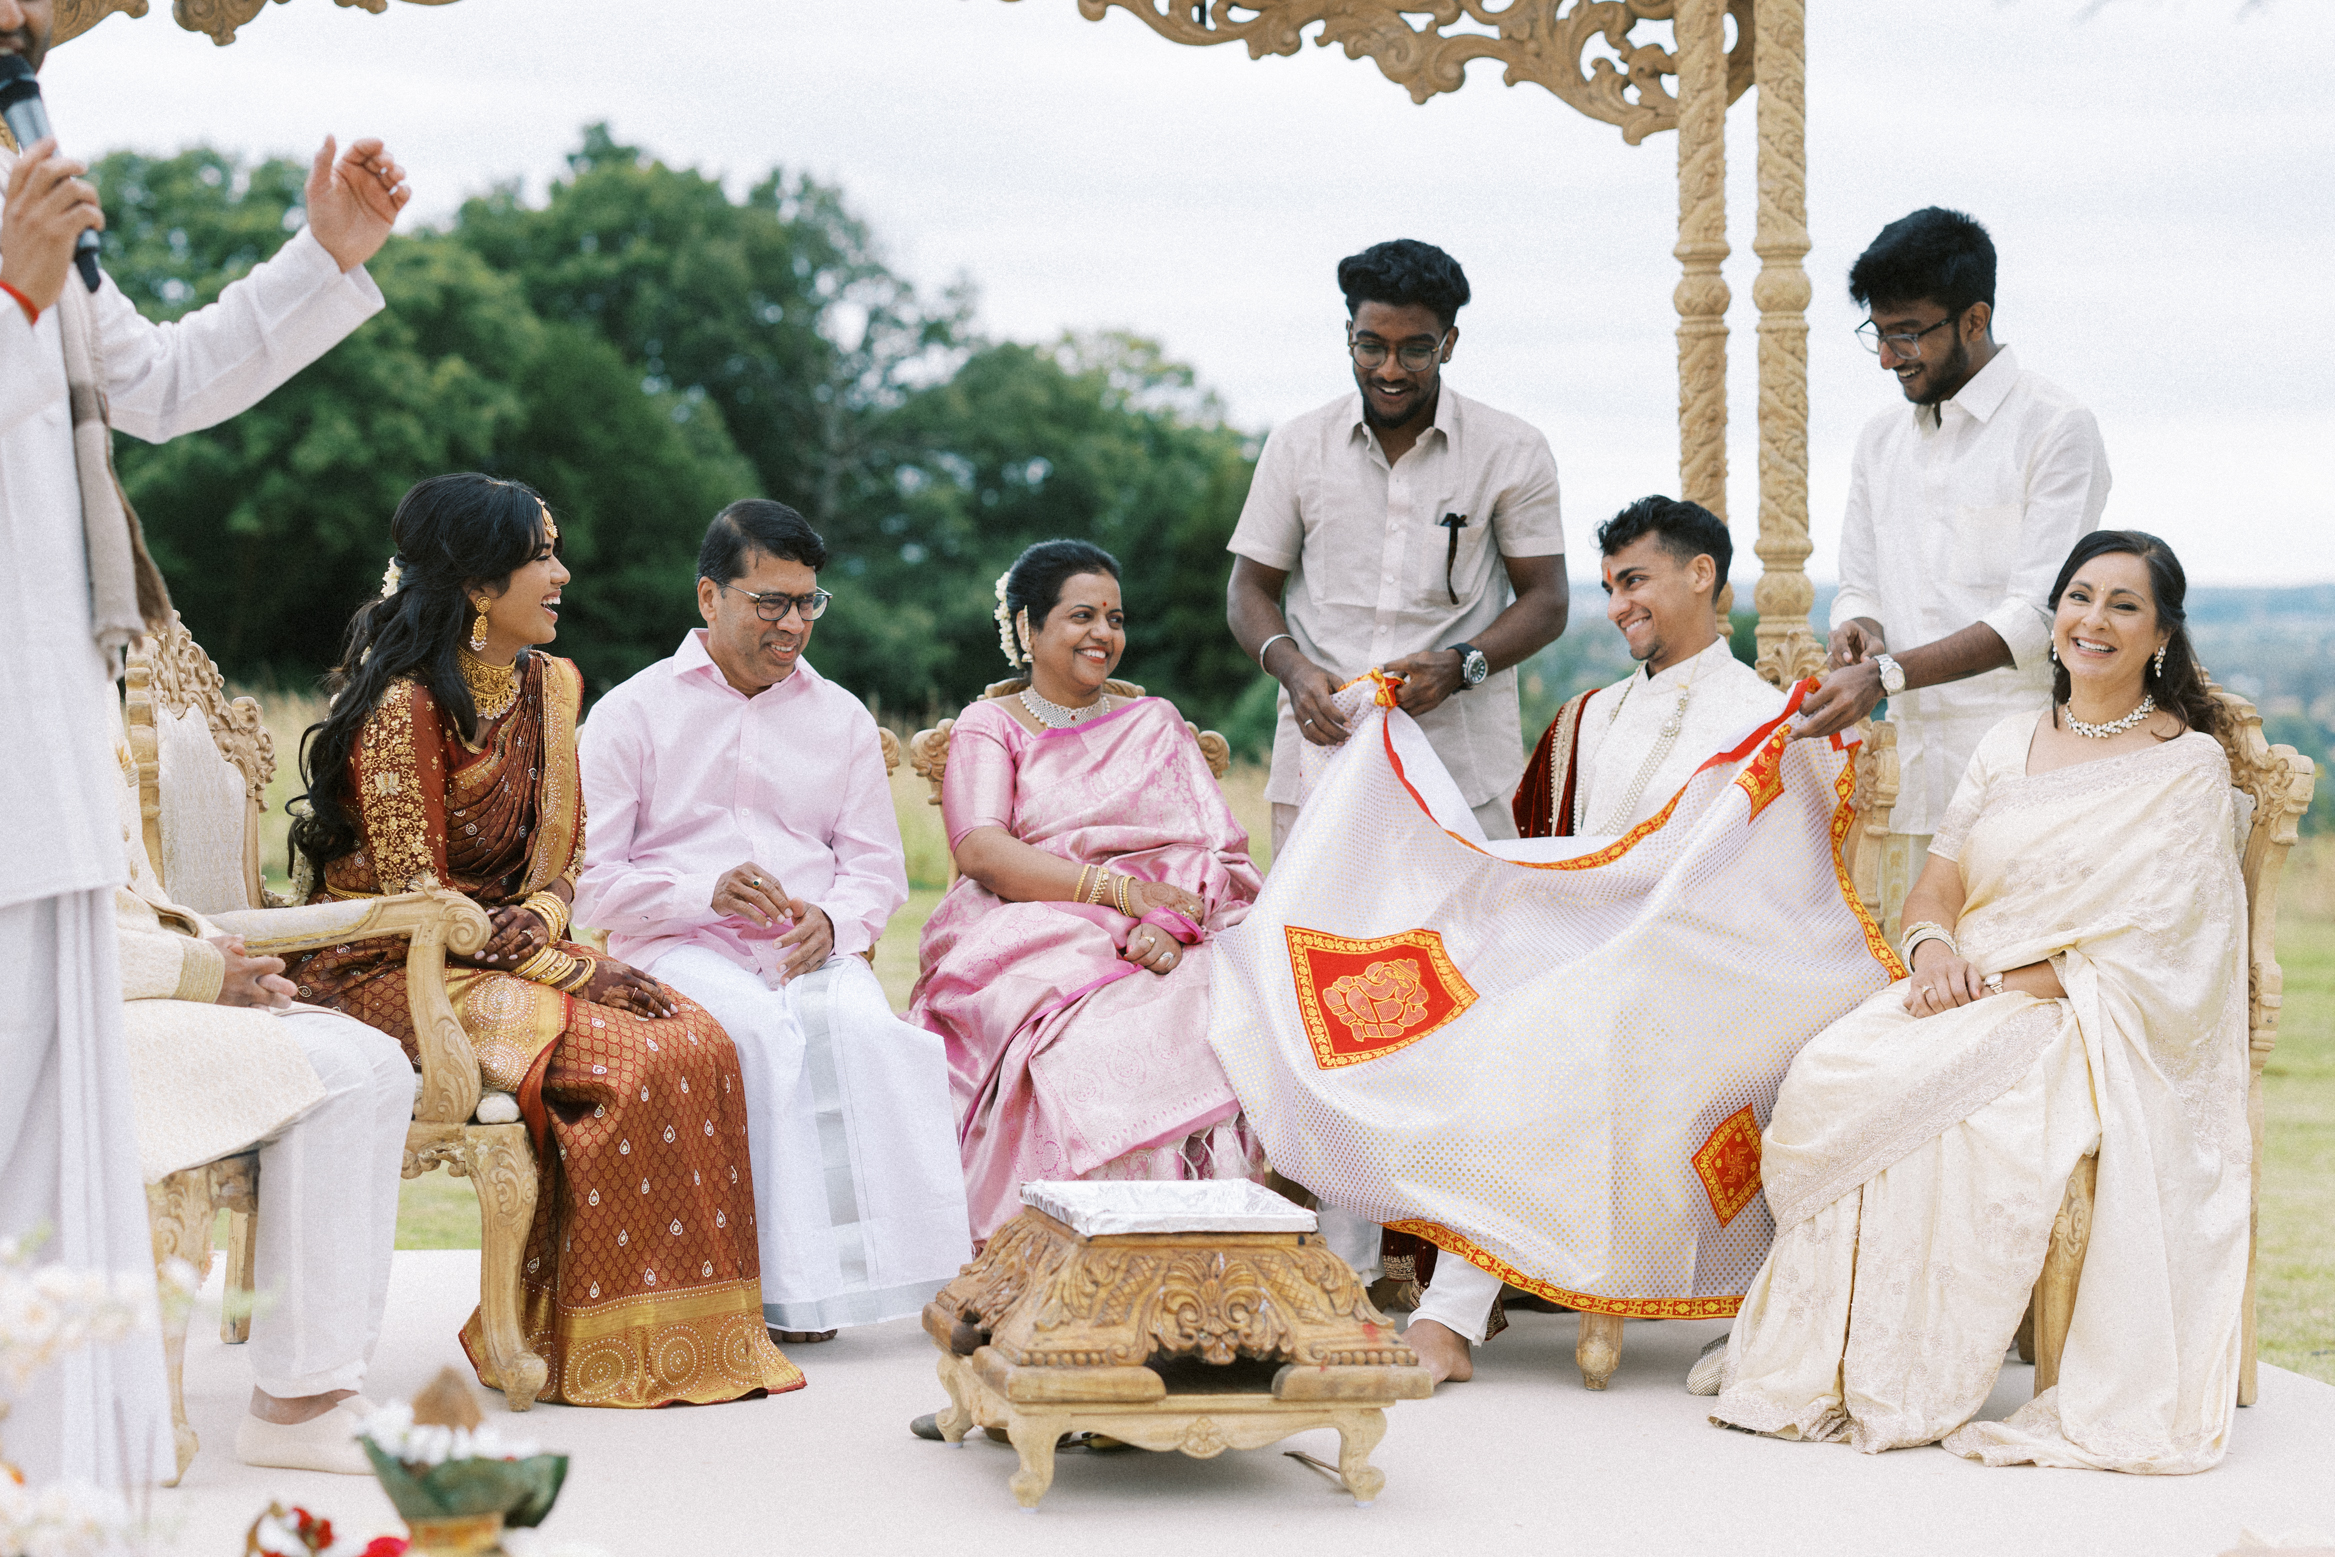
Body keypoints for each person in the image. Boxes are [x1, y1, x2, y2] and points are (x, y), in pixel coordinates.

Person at [0, 0, 409, 1487]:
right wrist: (9, 293)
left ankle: (61, 1465)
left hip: (50, 728)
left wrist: (326, 260)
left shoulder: (22, 150)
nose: (29, 27)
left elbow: (157, 387)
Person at [1713, 532, 2248, 1474]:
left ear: (2159, 633)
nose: (2094, 619)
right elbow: (1938, 885)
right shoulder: (2008, 741)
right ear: (2055, 621)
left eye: (2123, 604)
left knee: (1953, 1112)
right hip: (1958, 985)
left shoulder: (2186, 765)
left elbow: (2161, 948)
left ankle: (1898, 1369)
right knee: (1829, 1071)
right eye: (2079, 597)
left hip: (2076, 1012)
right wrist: (1929, 953)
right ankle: (1816, 1353)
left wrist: (1999, 985)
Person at [282, 474, 801, 1409]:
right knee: (631, 1060)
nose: (562, 573)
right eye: (540, 557)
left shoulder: (552, 686)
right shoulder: (404, 705)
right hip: (390, 966)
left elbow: (562, 864)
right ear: (480, 586)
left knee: (703, 1040)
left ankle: (688, 1342)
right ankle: (582, 1351)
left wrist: (556, 930)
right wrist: (577, 967)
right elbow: (418, 900)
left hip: (512, 949)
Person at [1382, 494, 1793, 1379]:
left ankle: (1449, 1317)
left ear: (1701, 574)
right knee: (1425, 984)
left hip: (1709, 970)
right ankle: (1404, 1277)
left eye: (1634, 581)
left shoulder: (1761, 717)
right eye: (1609, 587)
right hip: (1582, 950)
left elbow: (1765, 891)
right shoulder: (1594, 716)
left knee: (1540, 1017)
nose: (1616, 607)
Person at [575, 499, 971, 1347]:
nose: (793, 624)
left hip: (809, 950)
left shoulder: (840, 720)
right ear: (709, 596)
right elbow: (587, 885)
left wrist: (835, 919)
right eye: (770, 601)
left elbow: (876, 867)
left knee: (869, 1034)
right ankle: (762, 1293)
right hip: (676, 945)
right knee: (755, 1035)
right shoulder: (628, 714)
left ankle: (881, 1287)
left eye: (807, 603)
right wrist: (699, 892)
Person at [913, 540, 1267, 1248]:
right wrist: (1118, 893)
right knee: (1083, 1034)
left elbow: (1212, 850)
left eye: (1115, 617)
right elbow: (980, 850)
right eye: (1081, 616)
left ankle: (1201, 1248)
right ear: (1028, 627)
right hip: (1022, 924)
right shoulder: (994, 725)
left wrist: (1168, 921)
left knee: (1226, 1011)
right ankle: (1068, 1248)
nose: (1104, 634)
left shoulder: (1154, 724)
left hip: (1168, 928)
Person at [1793, 208, 2111, 942]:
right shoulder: (1879, 440)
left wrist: (1886, 676)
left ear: (1973, 319)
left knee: (2002, 986)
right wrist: (1859, 629)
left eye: (1905, 332)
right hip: (1900, 778)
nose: (1885, 356)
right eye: (1876, 332)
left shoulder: (2056, 428)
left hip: (2018, 772)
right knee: (1909, 981)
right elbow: (1859, 582)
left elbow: (2037, 618)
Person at [105, 727, 412, 1474]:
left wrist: (230, 958)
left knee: (380, 1060)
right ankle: (292, 1407)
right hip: (72, 1010)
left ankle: (329, 1385)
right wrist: (201, 973)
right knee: (332, 1072)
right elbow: (34, 935)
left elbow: (140, 896)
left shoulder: (84, 692)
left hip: (144, 979)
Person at [1224, 238, 1568, 856]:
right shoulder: (1298, 445)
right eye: (1371, 346)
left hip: (1459, 770)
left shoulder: (1511, 450)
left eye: (1415, 350)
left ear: (1450, 344)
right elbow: (1248, 590)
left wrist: (1462, 665)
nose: (1388, 370)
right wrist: (1294, 670)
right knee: (1314, 946)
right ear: (1348, 334)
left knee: (1463, 951)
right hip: (1321, 762)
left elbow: (1547, 600)